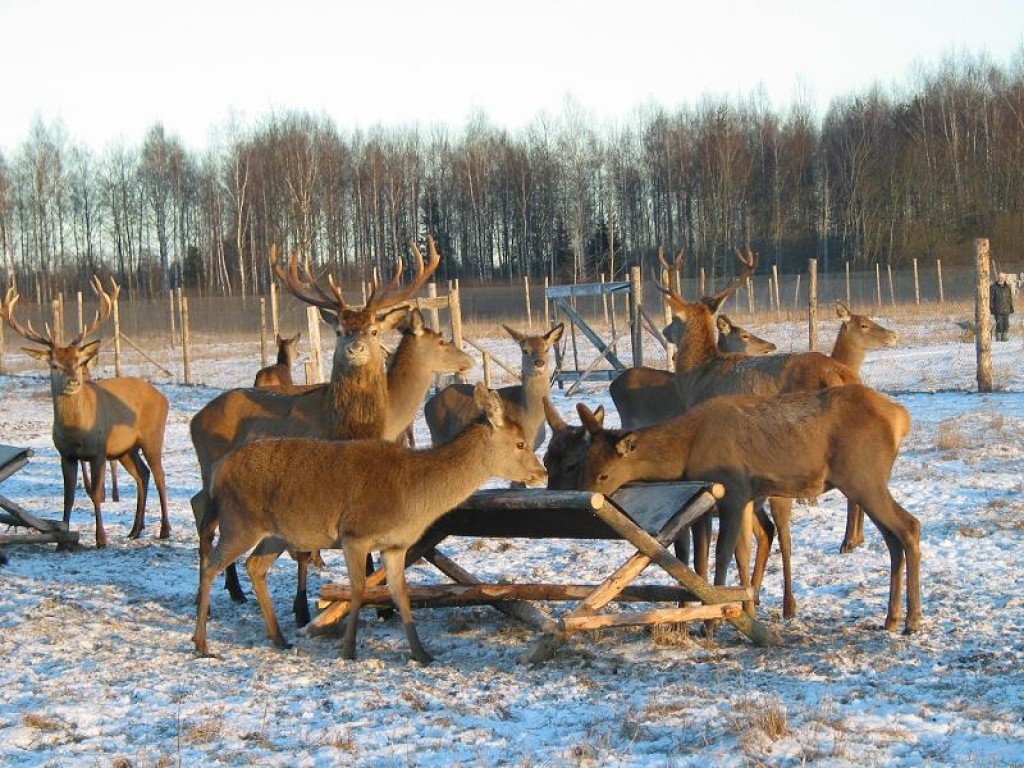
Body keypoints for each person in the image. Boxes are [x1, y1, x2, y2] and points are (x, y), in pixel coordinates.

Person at [990, 273, 1014, 341]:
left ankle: (1005, 339)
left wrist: (1011, 307)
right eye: (999, 277)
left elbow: (1010, 298)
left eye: (1002, 277)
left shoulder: (1008, 287)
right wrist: (991, 308)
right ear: (997, 278)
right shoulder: (993, 287)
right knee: (999, 325)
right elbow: (991, 299)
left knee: (1006, 324)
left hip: (1006, 308)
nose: (1001, 279)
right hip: (997, 309)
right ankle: (998, 339)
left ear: (1004, 279)